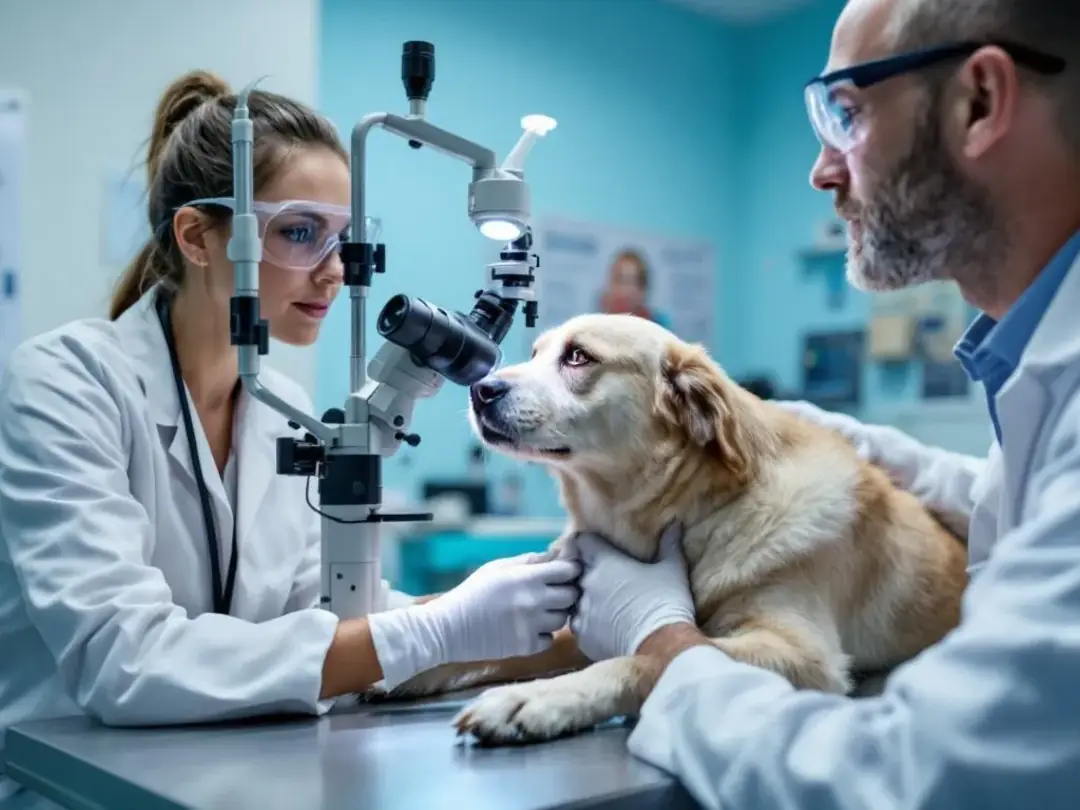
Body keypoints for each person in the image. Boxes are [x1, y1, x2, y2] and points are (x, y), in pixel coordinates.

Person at [0, 71, 579, 808]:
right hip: (66, 791)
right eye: (301, 232)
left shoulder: (284, 413)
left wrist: (553, 636)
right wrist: (438, 629)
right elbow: (124, 659)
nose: (335, 271)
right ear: (199, 238)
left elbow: (331, 625)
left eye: (343, 239)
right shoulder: (67, 382)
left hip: (218, 777)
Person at [569, 1, 1080, 807]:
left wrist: (669, 652)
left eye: (846, 112)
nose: (822, 169)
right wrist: (864, 448)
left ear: (978, 103)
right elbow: (1025, 514)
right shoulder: (1032, 365)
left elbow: (916, 779)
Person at [597, 247, 672, 328]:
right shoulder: (596, 323)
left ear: (642, 289)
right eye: (620, 280)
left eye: (631, 282)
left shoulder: (658, 326)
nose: (625, 290)